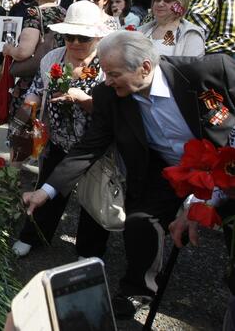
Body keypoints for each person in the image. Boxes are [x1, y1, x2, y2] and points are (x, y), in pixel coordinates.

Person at [21, 31, 235, 319]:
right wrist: (45, 191)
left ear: (145, 67)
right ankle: (138, 289)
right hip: (163, 172)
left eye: (113, 73)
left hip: (227, 169)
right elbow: (89, 147)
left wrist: (210, 195)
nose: (106, 80)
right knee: (140, 223)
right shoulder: (109, 95)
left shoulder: (207, 72)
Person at [11, 1, 109, 258]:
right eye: (69, 36)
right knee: (48, 189)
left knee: (92, 202)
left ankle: (88, 252)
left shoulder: (107, 65)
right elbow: (36, 89)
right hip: (58, 139)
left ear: (97, 37)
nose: (75, 42)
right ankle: (35, 236)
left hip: (93, 147)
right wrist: (29, 107)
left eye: (83, 37)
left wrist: (82, 99)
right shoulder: (53, 58)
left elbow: (111, 111)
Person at [3, 0, 66, 121]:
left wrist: (9, 49)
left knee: (25, 123)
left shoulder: (34, 13)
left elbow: (24, 51)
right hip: (57, 74)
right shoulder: (65, 13)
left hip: (34, 77)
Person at [138, 0, 205, 57]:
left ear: (181, 4)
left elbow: (190, 67)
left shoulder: (191, 34)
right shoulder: (141, 31)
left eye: (168, 0)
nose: (160, 4)